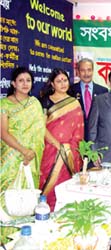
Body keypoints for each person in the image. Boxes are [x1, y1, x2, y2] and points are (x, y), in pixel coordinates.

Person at [0, 67, 46, 243]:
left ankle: (24, 238)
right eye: (21, 80)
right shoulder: (4, 105)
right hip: (10, 157)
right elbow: (3, 133)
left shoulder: (34, 103)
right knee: (7, 196)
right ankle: (5, 239)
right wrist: (23, 150)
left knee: (27, 197)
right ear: (13, 83)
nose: (25, 83)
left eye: (28, 80)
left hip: (31, 158)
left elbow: (39, 131)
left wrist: (30, 152)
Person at [39, 68, 84, 211]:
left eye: (65, 80)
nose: (63, 83)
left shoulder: (74, 103)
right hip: (50, 150)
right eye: (59, 81)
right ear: (52, 84)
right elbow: (41, 127)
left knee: (65, 185)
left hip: (70, 152)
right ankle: (45, 211)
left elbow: (79, 131)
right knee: (48, 181)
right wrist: (58, 145)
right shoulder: (45, 101)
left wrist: (70, 149)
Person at [70, 58, 108, 140]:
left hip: (96, 138)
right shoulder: (70, 90)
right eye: (83, 70)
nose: (86, 73)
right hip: (76, 136)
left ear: (93, 71)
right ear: (78, 72)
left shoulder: (103, 91)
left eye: (89, 70)